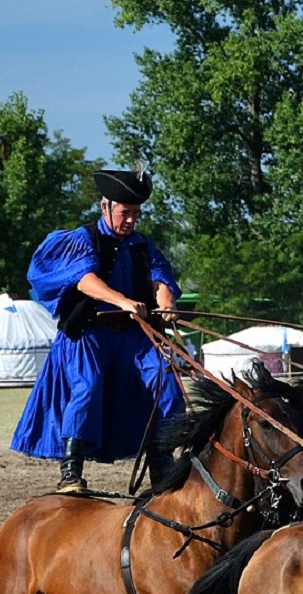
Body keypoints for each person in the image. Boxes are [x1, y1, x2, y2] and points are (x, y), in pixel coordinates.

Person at [10, 165, 183, 493]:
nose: (130, 220)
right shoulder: (81, 239)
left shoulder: (143, 246)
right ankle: (71, 472)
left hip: (133, 335)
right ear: (105, 208)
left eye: (136, 213)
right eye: (124, 212)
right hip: (89, 334)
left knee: (167, 380)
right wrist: (122, 300)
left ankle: (162, 464)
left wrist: (167, 303)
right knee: (87, 386)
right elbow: (85, 280)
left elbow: (161, 278)